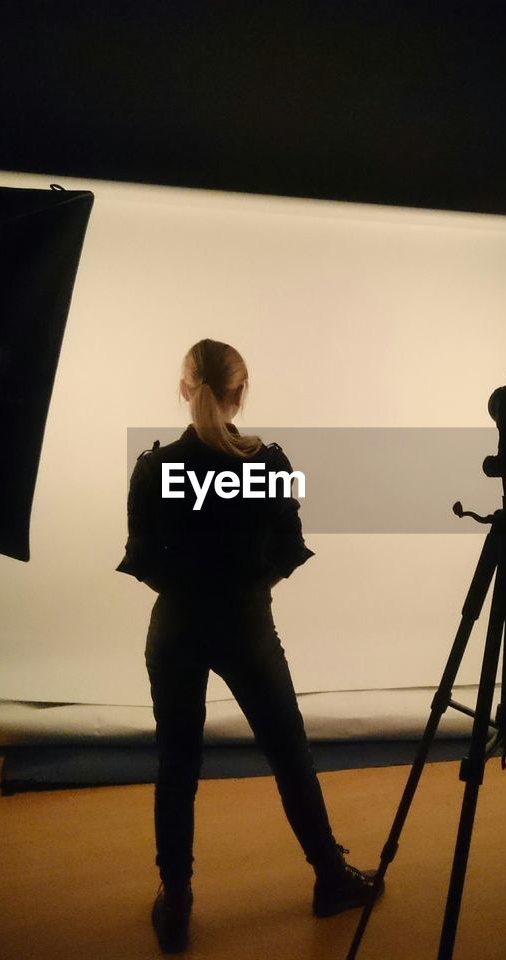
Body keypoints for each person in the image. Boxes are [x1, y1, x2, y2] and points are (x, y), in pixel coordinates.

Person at [118, 338, 382, 954]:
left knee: (176, 764)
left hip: (177, 627)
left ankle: (177, 901)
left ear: (185, 389)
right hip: (246, 627)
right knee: (290, 754)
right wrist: (244, 590)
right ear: (241, 393)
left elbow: (143, 558)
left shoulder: (155, 467)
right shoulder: (269, 462)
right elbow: (287, 551)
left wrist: (191, 592)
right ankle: (330, 878)